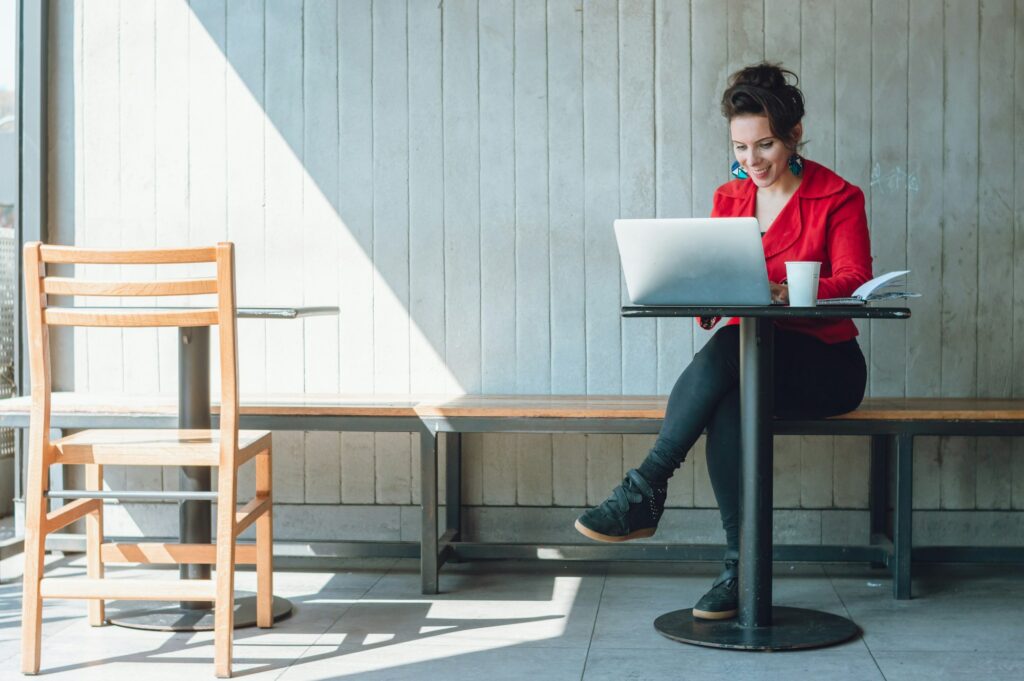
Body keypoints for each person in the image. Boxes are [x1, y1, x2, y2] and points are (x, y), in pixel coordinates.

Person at [574, 63, 873, 620]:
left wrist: (783, 293)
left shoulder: (838, 196)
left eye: (765, 145)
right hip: (746, 361)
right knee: (731, 404)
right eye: (740, 147)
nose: (751, 161)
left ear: (795, 134)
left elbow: (855, 279)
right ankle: (741, 570)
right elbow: (719, 291)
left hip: (826, 365)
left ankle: (644, 489)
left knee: (727, 356)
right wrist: (698, 289)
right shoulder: (729, 198)